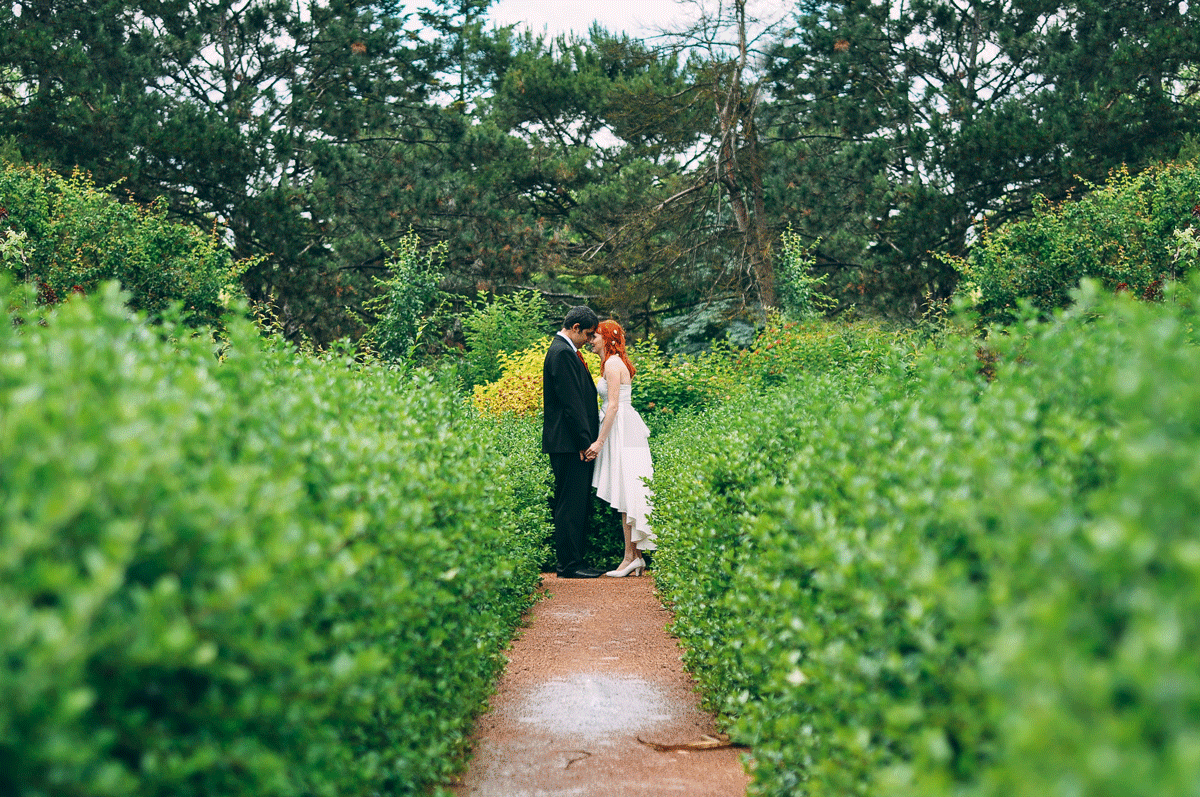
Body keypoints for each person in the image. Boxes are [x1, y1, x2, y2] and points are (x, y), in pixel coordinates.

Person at [584, 320, 657, 577]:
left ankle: (630, 558)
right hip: (623, 427)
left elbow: (613, 406)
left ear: (606, 338)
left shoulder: (613, 364)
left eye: (595, 336)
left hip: (623, 429)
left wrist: (599, 441)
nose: (591, 340)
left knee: (628, 490)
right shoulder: (613, 363)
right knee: (627, 491)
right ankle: (633, 557)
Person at [542, 306, 605, 578]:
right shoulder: (562, 353)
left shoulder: (565, 351)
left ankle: (576, 561)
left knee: (576, 503)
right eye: (589, 334)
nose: (591, 340)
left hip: (569, 442)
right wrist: (584, 442)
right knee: (570, 504)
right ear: (576, 327)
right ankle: (569, 565)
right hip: (569, 444)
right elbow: (571, 404)